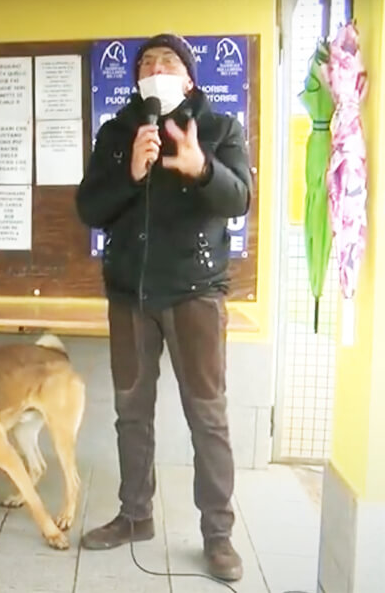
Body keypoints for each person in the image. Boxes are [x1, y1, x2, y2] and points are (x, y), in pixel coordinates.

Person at [75, 33, 251, 582]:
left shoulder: (219, 129)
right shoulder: (117, 132)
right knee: (132, 413)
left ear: (190, 77)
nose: (156, 69)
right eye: (147, 62)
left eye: (168, 61)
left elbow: (239, 198)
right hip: (130, 294)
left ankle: (218, 535)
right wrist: (130, 172)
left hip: (195, 295)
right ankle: (135, 515)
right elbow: (89, 207)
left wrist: (201, 168)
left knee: (207, 416)